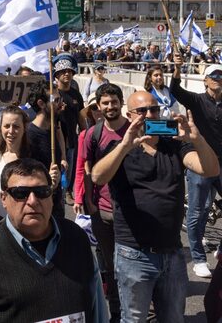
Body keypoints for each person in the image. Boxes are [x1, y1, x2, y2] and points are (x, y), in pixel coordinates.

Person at [92, 91, 219, 322]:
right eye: (142, 111)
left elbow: (210, 170)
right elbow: (98, 177)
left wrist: (196, 139)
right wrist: (124, 146)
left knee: (173, 317)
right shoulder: (118, 148)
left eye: (154, 109)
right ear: (129, 116)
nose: (150, 115)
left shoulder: (174, 146)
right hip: (134, 253)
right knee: (134, 318)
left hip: (172, 252)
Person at [0, 158, 108, 323]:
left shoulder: (76, 239)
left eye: (42, 191)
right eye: (21, 193)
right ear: (4, 199)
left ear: (51, 196)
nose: (33, 201)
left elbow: (98, 311)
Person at [75, 83, 128, 322]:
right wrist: (88, 202)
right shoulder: (92, 134)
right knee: (110, 265)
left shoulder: (132, 129)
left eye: (114, 101)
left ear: (121, 102)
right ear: (98, 105)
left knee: (131, 265)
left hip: (130, 211)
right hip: (102, 210)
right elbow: (85, 169)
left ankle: (134, 306)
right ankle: (116, 311)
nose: (110, 106)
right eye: (105, 103)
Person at [171, 57, 222, 278]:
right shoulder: (197, 100)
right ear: (205, 80)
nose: (219, 79)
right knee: (196, 212)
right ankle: (199, 259)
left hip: (221, 165)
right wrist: (178, 68)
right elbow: (175, 89)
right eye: (215, 76)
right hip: (200, 164)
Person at [25, 82, 67, 219]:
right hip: (39, 209)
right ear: (41, 104)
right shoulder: (28, 136)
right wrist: (46, 180)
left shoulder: (51, 129)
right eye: (55, 100)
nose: (60, 103)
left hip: (56, 203)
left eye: (60, 99)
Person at [0, 105, 31, 217]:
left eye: (16, 126)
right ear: (1, 128)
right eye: (6, 126)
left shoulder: (33, 157)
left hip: (22, 222)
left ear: (24, 128)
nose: (11, 131)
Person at [53, 56, 86, 197]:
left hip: (72, 139)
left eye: (70, 71)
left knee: (70, 167)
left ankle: (67, 192)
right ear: (57, 75)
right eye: (63, 71)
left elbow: (81, 116)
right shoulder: (53, 94)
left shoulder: (76, 94)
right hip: (56, 138)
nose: (67, 74)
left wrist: (86, 134)